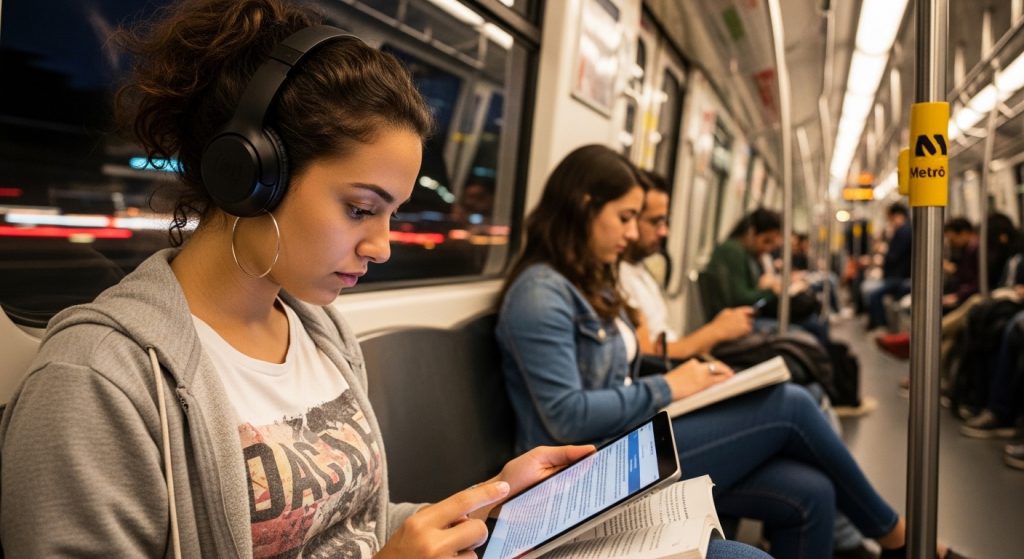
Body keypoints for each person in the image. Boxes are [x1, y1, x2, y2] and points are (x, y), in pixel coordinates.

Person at [0, 2, 601, 557]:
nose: (383, 246)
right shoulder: (100, 380)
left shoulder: (319, 334)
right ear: (251, 176)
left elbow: (348, 531)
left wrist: (492, 501)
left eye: (393, 214)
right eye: (361, 209)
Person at [495, 144, 967, 559]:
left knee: (813, 493)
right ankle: (900, 539)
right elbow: (565, 416)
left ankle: (895, 539)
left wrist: (688, 386)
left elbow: (618, 378)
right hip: (582, 480)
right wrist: (669, 385)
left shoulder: (588, 283)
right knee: (790, 406)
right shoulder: (541, 295)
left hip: (625, 443)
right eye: (625, 218)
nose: (632, 232)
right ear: (583, 207)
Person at [618, 171, 753, 360]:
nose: (665, 232)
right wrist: (715, 332)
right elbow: (647, 354)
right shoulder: (618, 278)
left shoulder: (641, 270)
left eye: (665, 221)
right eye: (655, 222)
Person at [866, 203, 912, 330]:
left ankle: (881, 326)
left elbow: (893, 256)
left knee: (873, 294)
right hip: (898, 275)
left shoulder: (903, 231)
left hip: (900, 277)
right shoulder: (904, 230)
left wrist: (882, 253)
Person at [941, 217, 979, 310]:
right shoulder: (965, 250)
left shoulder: (977, 251)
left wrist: (958, 295)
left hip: (968, 296)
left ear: (964, 233)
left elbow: (975, 281)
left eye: (952, 239)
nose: (951, 243)